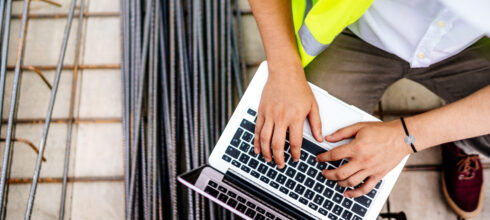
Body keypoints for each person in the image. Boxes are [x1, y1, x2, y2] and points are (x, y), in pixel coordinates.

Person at [248, 0, 490, 218]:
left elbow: (405, 138)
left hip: (469, 46)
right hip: (358, 29)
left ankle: (459, 140)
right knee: (301, 146)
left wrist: (405, 138)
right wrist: (284, 71)